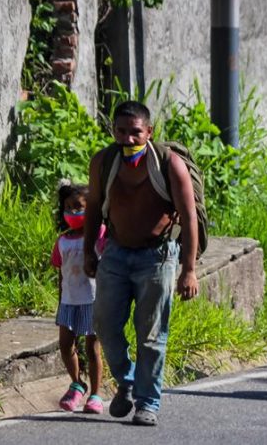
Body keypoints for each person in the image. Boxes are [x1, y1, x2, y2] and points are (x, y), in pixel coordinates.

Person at [84, 101, 199, 426]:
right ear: (114, 132)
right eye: (121, 131)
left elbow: (189, 216)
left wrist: (188, 269)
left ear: (149, 132)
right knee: (104, 324)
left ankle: (148, 404)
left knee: (151, 335)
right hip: (116, 254)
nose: (128, 138)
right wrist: (89, 251)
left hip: (157, 257)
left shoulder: (169, 164)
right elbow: (93, 207)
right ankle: (129, 380)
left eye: (135, 132)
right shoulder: (104, 162)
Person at [52, 182, 105, 413]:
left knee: (93, 349)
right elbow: (60, 275)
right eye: (68, 208)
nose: (73, 213)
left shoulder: (100, 235)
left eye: (79, 207)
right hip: (69, 302)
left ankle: (95, 394)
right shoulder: (62, 241)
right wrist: (60, 302)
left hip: (93, 300)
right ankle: (77, 383)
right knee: (65, 345)